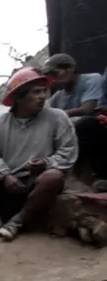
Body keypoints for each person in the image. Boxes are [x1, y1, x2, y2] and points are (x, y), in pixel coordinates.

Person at [0, 67, 76, 242]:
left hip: (37, 182)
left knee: (53, 176)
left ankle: (17, 222)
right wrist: (6, 175)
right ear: (18, 97)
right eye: (36, 92)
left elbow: (68, 152)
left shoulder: (58, 117)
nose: (42, 96)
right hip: (6, 182)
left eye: (44, 91)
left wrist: (46, 163)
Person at [42, 53, 107, 185]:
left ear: (70, 68)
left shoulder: (91, 79)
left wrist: (58, 115)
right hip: (73, 137)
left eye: (55, 73)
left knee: (84, 123)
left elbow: (87, 109)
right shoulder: (57, 97)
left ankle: (84, 176)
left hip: (98, 134)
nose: (53, 79)